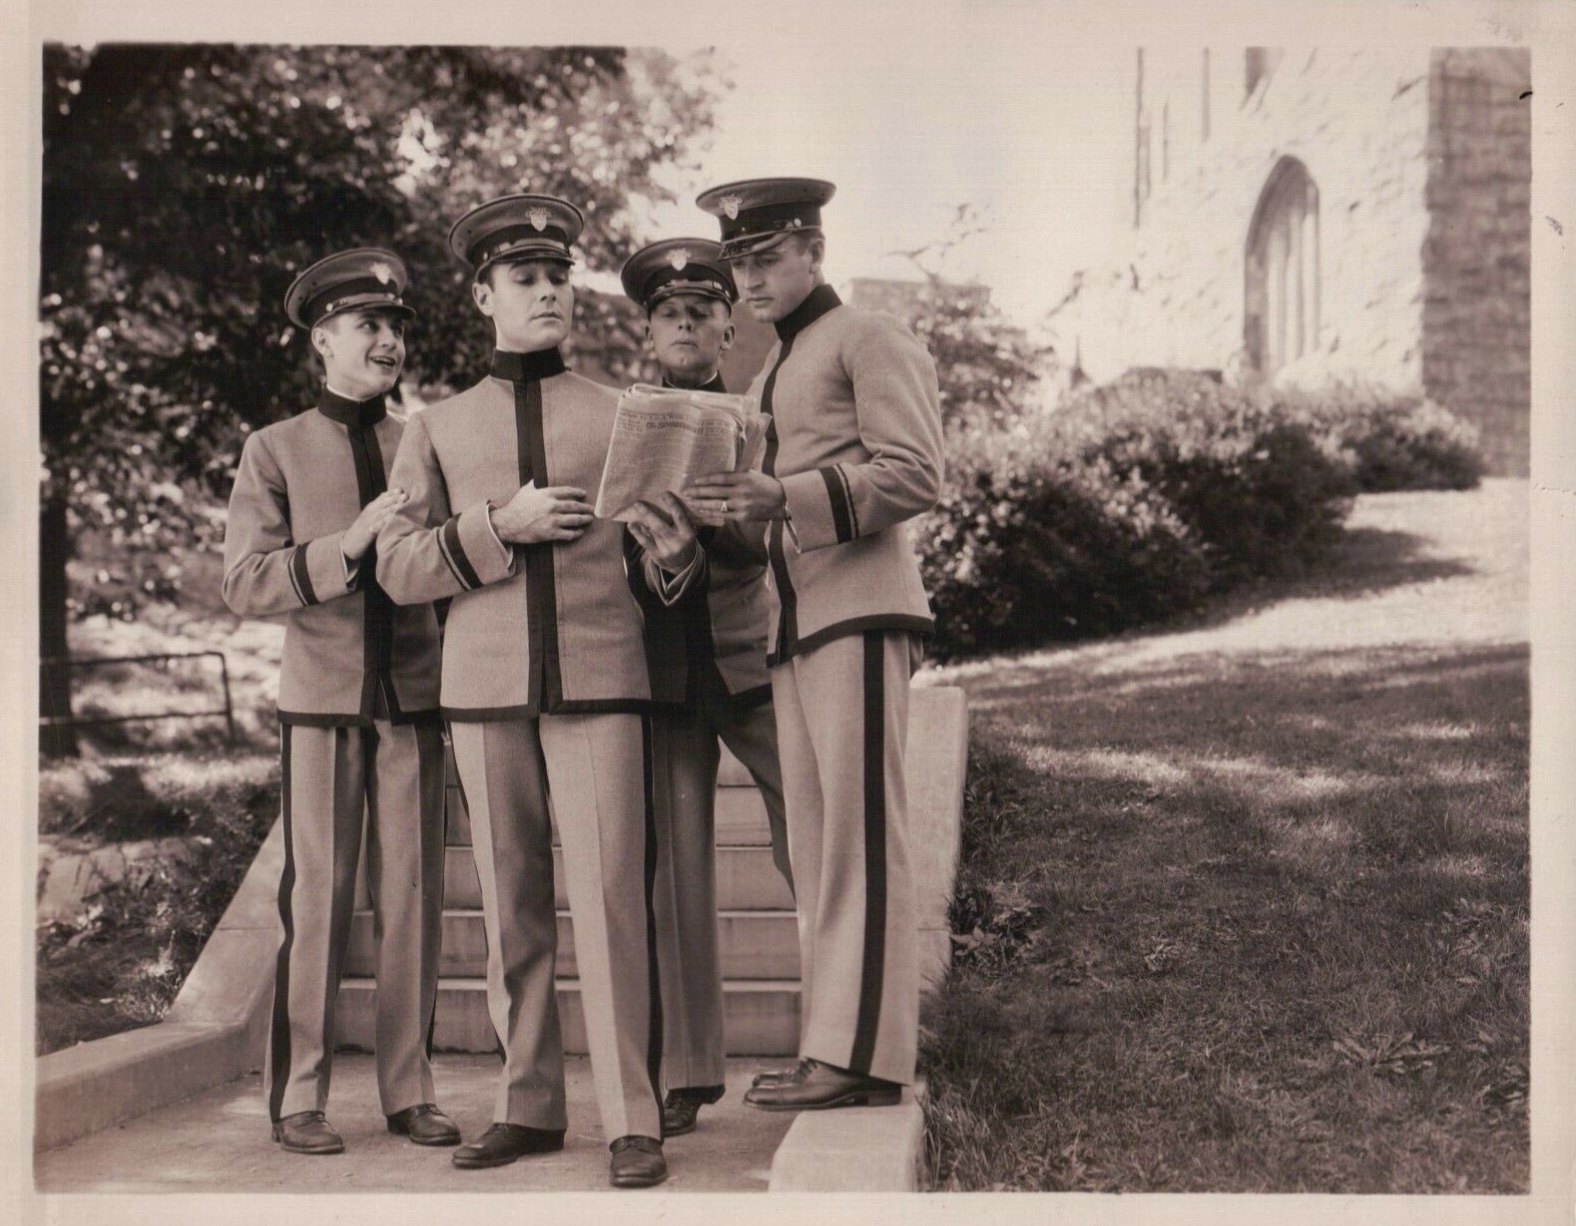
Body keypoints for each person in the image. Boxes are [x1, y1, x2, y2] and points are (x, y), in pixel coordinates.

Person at [375, 195, 696, 1189]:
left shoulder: (624, 413)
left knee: (609, 898)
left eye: (558, 276)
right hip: (482, 691)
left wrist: (677, 557)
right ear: (484, 294)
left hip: (604, 681)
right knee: (511, 905)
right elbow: (395, 565)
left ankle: (631, 1116)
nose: (549, 291)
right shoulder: (434, 427)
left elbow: (666, 571)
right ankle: (527, 1102)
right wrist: (495, 525)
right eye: (525, 278)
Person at [684, 178, 944, 1111]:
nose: (749, 280)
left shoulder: (868, 336)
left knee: (862, 840)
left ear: (814, 252)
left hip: (862, 613)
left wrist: (781, 497)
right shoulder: (764, 375)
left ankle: (866, 1058)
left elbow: (916, 473)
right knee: (824, 844)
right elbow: (765, 522)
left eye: (766, 259)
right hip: (795, 628)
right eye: (739, 264)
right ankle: (833, 1046)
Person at [222, 248, 453, 1155]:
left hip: (419, 698)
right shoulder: (273, 448)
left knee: (416, 897)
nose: (389, 340)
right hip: (320, 703)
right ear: (324, 339)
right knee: (318, 898)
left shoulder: (424, 443)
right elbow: (243, 583)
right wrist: (346, 546)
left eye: (397, 327)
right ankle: (299, 1099)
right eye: (369, 326)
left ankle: (410, 1092)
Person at [618, 238, 794, 1137]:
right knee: (674, 871)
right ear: (646, 329)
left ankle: (837, 1031)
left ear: (731, 325)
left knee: (810, 829)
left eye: (701, 311)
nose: (684, 324)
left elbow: (790, 537)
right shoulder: (619, 422)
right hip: (659, 666)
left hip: (748, 652)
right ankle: (687, 1072)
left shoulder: (763, 413)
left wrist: (731, 524)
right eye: (668, 313)